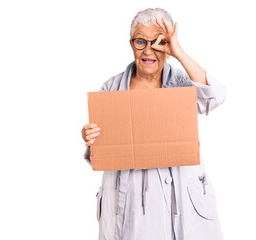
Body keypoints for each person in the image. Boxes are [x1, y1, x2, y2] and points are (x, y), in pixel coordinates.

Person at [81, 8, 227, 240]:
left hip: (179, 200)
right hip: (131, 207)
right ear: (131, 44)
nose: (149, 50)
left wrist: (177, 51)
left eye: (158, 42)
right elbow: (99, 155)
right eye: (141, 41)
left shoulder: (182, 83)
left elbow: (215, 97)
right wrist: (92, 141)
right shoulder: (111, 89)